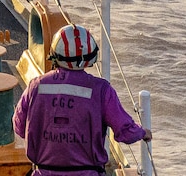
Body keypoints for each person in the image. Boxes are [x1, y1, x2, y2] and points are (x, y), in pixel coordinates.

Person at [12, 24, 151, 176]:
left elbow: (19, 125)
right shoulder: (101, 90)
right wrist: (143, 132)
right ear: (90, 56)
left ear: (54, 54)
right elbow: (125, 132)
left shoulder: (36, 86)